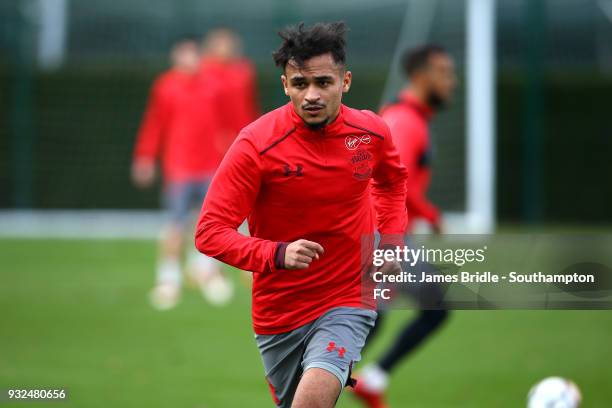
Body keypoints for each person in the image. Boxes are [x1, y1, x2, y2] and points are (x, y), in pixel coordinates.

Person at [195, 22, 407, 408]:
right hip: (280, 314)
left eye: (323, 83)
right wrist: (276, 254)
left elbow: (391, 183)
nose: (311, 95)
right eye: (300, 84)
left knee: (312, 401)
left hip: (349, 296)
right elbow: (209, 232)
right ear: (284, 85)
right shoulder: (255, 145)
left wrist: (390, 243)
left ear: (345, 82)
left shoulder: (371, 133)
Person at [352, 45, 457, 408]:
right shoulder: (403, 121)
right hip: (382, 233)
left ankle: (358, 380)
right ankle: (318, 381)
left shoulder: (410, 118)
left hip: (387, 233)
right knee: (428, 308)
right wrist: (431, 213)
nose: (451, 82)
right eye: (444, 72)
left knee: (377, 315)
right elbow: (395, 182)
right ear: (419, 76)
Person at [132, 37, 233, 310]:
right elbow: (154, 124)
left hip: (211, 167)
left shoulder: (214, 86)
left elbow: (226, 126)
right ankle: (168, 279)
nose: (190, 61)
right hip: (178, 168)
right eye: (184, 56)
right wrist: (145, 156)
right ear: (176, 60)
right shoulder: (165, 87)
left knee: (211, 225)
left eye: (193, 55)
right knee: (175, 225)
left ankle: (207, 273)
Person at [199, 28, 259, 153]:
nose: (225, 48)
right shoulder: (205, 70)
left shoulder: (243, 69)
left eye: (228, 44)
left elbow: (249, 103)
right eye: (221, 44)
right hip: (213, 134)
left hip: (243, 128)